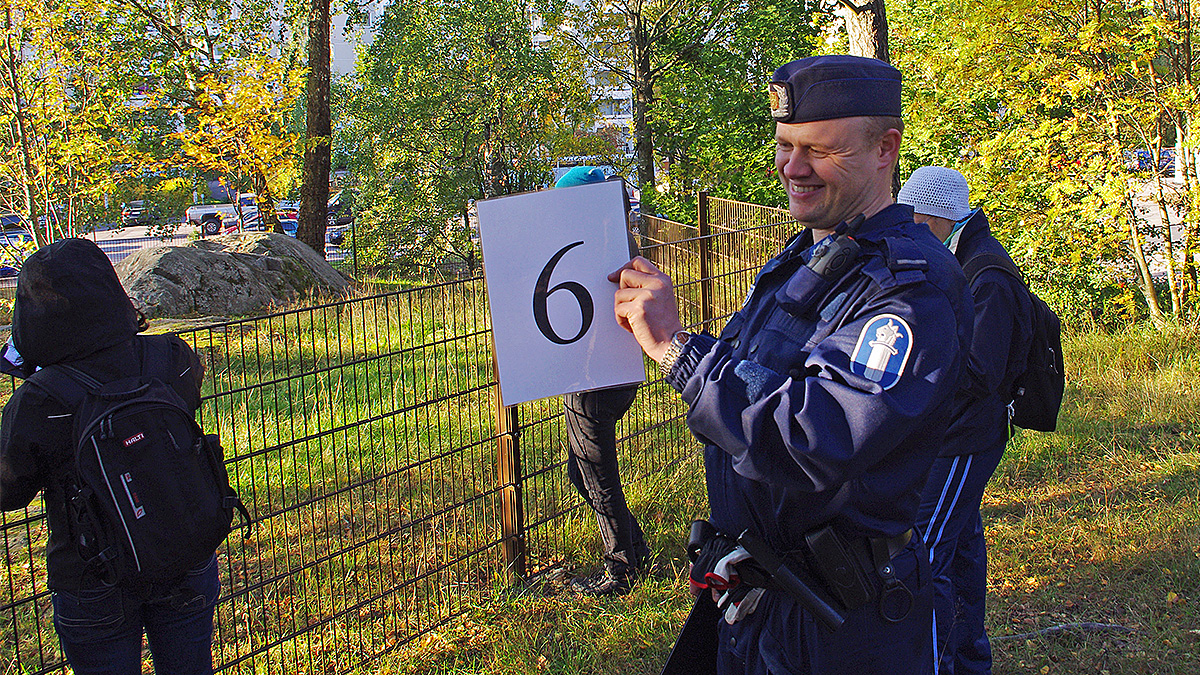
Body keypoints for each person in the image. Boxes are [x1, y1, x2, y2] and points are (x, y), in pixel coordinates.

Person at [610, 55, 973, 674]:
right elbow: (757, 371)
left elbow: (813, 434)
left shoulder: (910, 290)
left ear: (885, 150)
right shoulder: (812, 254)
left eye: (821, 151)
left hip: (838, 626)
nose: (793, 168)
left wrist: (677, 350)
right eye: (785, 145)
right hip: (760, 600)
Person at [0, 239, 217, 674]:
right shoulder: (171, 359)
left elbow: (8, 491)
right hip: (185, 545)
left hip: (92, 572)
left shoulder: (41, 399)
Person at [899, 166, 1033, 675]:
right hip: (953, 430)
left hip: (965, 436)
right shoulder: (962, 259)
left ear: (938, 217)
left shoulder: (986, 274)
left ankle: (937, 663)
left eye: (916, 218)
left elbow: (981, 369)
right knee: (960, 547)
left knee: (926, 549)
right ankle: (969, 659)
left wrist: (914, 364)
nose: (911, 229)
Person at [554, 165, 650, 596]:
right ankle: (634, 547)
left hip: (597, 377)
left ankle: (622, 569)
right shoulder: (615, 241)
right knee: (582, 470)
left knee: (596, 472)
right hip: (613, 374)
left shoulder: (592, 250)